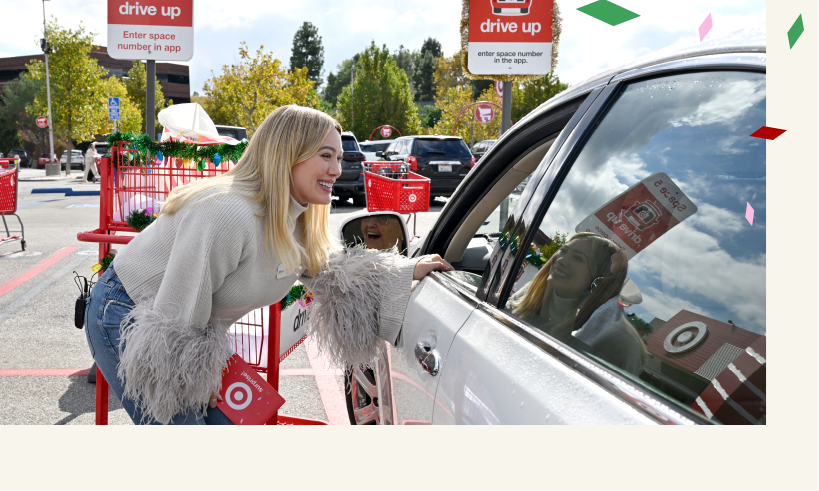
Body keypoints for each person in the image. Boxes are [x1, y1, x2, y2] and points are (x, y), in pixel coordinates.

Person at [84, 105, 451, 425]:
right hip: (133, 315)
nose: (337, 170)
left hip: (194, 326)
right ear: (288, 155)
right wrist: (193, 376)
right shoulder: (226, 213)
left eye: (339, 158)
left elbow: (333, 275)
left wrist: (405, 270)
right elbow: (175, 319)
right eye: (326, 156)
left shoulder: (294, 217)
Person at [506, 232, 647, 374]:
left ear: (599, 280)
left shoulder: (616, 340)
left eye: (578, 258)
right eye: (563, 251)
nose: (561, 260)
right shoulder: (531, 294)